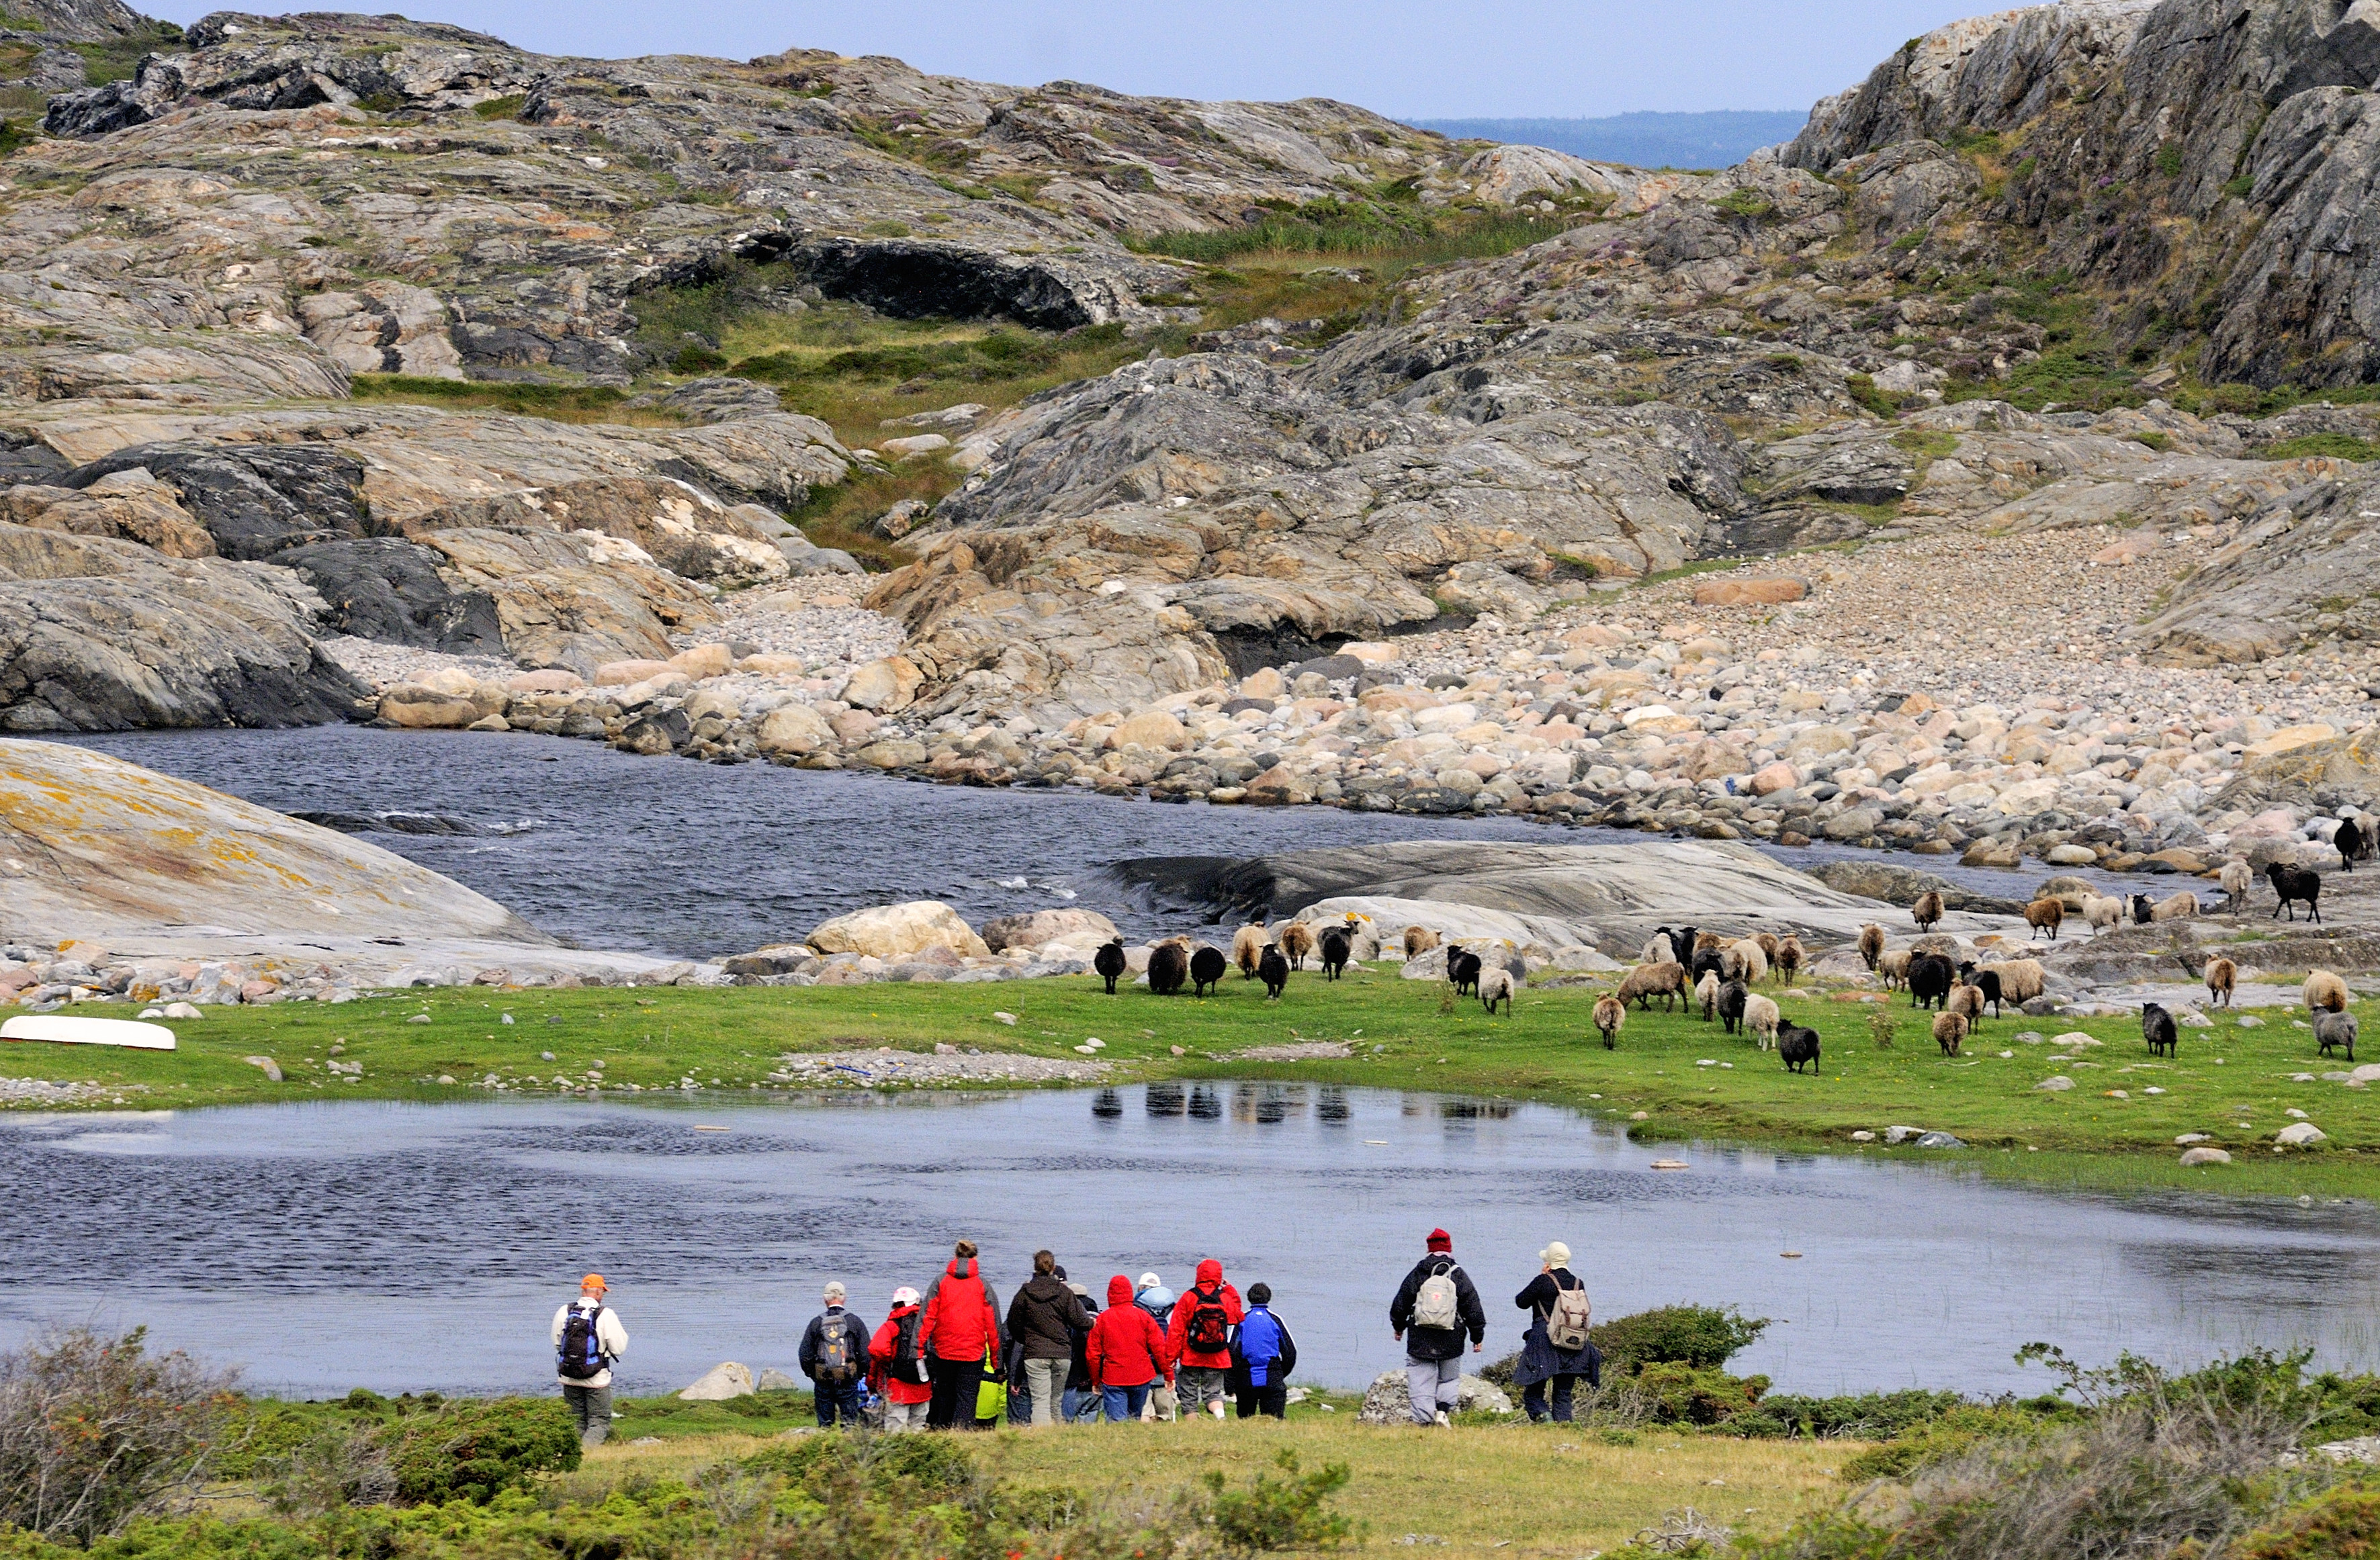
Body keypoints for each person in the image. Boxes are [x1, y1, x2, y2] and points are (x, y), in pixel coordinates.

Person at [1390, 1228, 1485, 1427]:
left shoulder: (1418, 1273)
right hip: (1452, 1337)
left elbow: (1400, 1303)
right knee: (1448, 1379)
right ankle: (1442, 1411)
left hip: (1420, 1336)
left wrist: (1399, 1327)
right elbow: (1473, 1308)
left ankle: (1424, 1422)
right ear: (1449, 1248)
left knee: (1421, 1381)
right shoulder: (1459, 1275)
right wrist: (1477, 1337)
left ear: (1429, 1249)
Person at [1513, 1242, 1601, 1424]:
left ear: (1548, 1262)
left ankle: (1546, 1422)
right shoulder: (1578, 1283)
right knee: (1563, 1395)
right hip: (1572, 1343)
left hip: (1544, 1344)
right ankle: (1563, 1430)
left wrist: (1542, 1276)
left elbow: (1521, 1301)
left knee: (1533, 1394)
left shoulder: (1543, 1281)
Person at [920, 1239, 1003, 1430]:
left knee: (945, 1396)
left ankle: (943, 1435)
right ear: (976, 1258)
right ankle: (963, 1437)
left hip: (943, 1351)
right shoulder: (983, 1286)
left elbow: (926, 1318)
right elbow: (994, 1328)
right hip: (973, 1353)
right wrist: (998, 1365)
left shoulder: (940, 1282)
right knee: (968, 1399)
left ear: (955, 1257)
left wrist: (917, 1350)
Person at [1006, 1250, 1091, 1427]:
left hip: (1035, 1353)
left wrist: (1027, 1339)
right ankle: (1055, 1436)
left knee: (1040, 1401)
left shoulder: (1025, 1292)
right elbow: (1080, 1321)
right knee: (1056, 1400)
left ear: (1035, 1268)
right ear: (1053, 1268)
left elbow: (1013, 1324)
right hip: (1061, 1353)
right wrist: (1093, 1323)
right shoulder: (1064, 1292)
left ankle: (1042, 1438)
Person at [551, 1273, 629, 1448]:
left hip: (569, 1375)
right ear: (599, 1292)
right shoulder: (605, 1314)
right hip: (596, 1378)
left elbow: (557, 1343)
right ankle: (586, 1456)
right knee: (599, 1421)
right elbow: (619, 1348)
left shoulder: (564, 1311)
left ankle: (570, 1454)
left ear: (583, 1290)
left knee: (576, 1419)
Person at [1086, 1273, 1173, 1422]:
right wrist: (1168, 1374)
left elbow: (1093, 1354)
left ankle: (1119, 1442)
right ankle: (1133, 1440)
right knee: (1135, 1416)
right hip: (1142, 1376)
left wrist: (1095, 1380)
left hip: (1114, 1377)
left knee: (1117, 1419)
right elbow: (1159, 1348)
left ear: (1110, 1294)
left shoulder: (1102, 1319)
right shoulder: (1144, 1317)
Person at [1165, 1258, 1243, 1420]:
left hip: (1191, 1354)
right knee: (1213, 1393)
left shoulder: (1189, 1297)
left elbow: (1176, 1330)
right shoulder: (1223, 1297)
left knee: (1189, 1395)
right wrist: (1229, 1289)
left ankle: (1193, 1427)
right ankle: (1220, 1416)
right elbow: (1237, 1316)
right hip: (1217, 1355)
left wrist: (1171, 1358)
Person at [798, 1281, 872, 1428]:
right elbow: (866, 1354)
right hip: (848, 1378)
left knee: (825, 1424)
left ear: (825, 1299)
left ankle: (825, 1447)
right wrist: (860, 1374)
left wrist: (813, 1374)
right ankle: (847, 1446)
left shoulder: (816, 1323)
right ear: (844, 1298)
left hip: (823, 1378)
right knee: (849, 1423)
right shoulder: (855, 1322)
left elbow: (804, 1354)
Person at [869, 1285, 934, 1432]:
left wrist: (889, 1364)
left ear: (896, 1304)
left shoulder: (891, 1326)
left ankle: (897, 1456)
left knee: (895, 1431)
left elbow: (876, 1349)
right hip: (923, 1386)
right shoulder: (928, 1325)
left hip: (898, 1387)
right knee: (918, 1428)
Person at [1228, 1283, 1298, 1420]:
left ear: (1249, 1298)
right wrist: (1279, 1373)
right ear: (1268, 1298)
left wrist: (1232, 1382)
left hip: (1246, 1377)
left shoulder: (1242, 1320)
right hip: (1272, 1376)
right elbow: (1290, 1353)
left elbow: (1232, 1352)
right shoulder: (1276, 1320)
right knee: (1274, 1422)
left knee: (1245, 1422)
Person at [1061, 1265, 1103, 1424]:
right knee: (1089, 1417)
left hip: (1071, 1381)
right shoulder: (1096, 1316)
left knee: (1067, 1420)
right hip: (1093, 1380)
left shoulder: (1066, 1315)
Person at [1135, 1273, 1178, 1422]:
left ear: (1140, 1288)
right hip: (1166, 1367)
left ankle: (1144, 1441)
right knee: (1165, 1415)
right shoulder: (1172, 1307)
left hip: (1143, 1369)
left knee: (1144, 1413)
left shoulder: (1137, 1308)